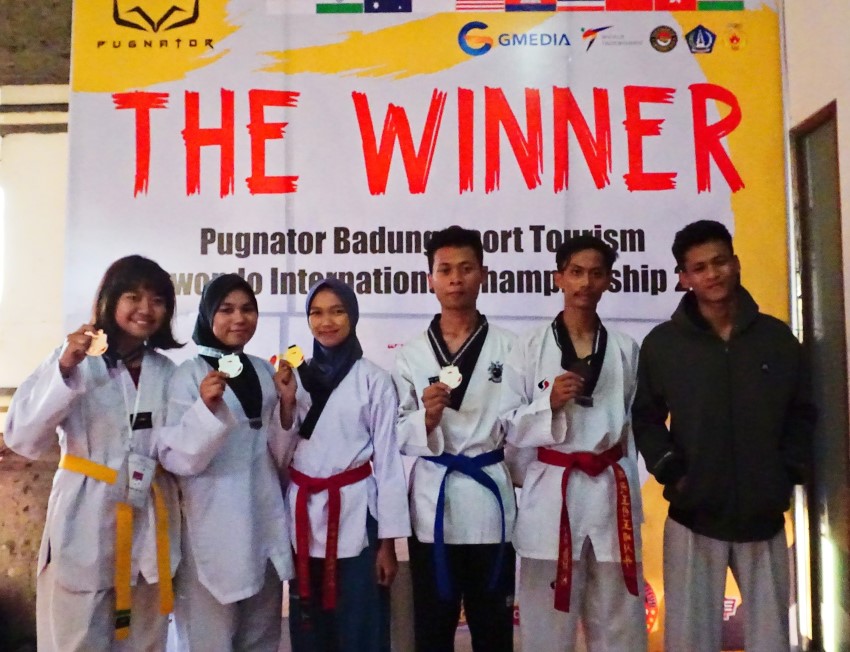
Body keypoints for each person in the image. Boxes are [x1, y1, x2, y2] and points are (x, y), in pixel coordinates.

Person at [632, 220, 814, 652]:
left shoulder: (777, 339)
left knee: (772, 639)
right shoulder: (664, 344)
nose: (712, 274)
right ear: (684, 278)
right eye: (699, 268)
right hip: (693, 516)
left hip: (763, 517)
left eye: (719, 262)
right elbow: (646, 418)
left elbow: (803, 413)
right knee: (689, 641)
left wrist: (786, 471)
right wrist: (673, 473)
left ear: (736, 263)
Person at [5, 255, 184, 650]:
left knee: (146, 638)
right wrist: (65, 369)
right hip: (85, 513)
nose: (145, 308)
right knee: (76, 635)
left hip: (148, 515)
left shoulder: (167, 372)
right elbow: (22, 436)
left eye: (157, 300)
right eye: (133, 297)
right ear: (110, 300)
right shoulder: (74, 359)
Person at [500, 235, 647, 652]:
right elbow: (506, 426)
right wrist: (547, 403)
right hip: (552, 495)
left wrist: (631, 490)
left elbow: (633, 431)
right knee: (547, 624)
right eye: (576, 272)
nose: (585, 283)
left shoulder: (625, 349)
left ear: (609, 281)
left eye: (596, 274)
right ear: (559, 278)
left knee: (619, 622)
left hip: (611, 494)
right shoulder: (528, 347)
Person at [393, 225, 517, 652]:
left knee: (493, 630)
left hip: (490, 500)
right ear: (430, 279)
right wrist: (425, 420)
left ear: (483, 274)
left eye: (466, 268)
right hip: (434, 503)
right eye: (445, 270)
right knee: (432, 630)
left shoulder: (511, 348)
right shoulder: (410, 354)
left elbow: (521, 426)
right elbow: (396, 432)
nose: (456, 279)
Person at [276, 278, 410, 652]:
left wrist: (388, 544)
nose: (326, 322)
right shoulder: (295, 378)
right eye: (316, 313)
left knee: (361, 630)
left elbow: (388, 463)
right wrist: (286, 403)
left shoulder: (374, 380)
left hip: (355, 516)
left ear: (352, 315)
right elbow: (280, 453)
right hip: (304, 519)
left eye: (337, 311)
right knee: (310, 631)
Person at [161, 274, 294, 652]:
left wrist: (286, 404)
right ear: (207, 315)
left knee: (262, 637)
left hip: (262, 519)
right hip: (212, 525)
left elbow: (280, 453)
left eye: (248, 309)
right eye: (227, 309)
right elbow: (175, 457)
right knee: (209, 640)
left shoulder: (265, 371)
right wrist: (205, 408)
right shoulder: (188, 375)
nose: (239, 318)